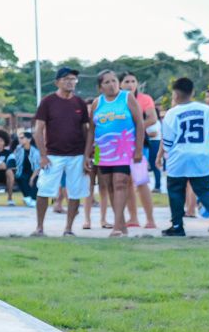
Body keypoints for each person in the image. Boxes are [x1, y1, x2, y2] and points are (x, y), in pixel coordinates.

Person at [159, 77, 209, 236]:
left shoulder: (171, 113)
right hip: (202, 155)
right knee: (204, 189)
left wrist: (163, 155)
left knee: (176, 190)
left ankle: (177, 226)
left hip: (179, 156)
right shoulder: (204, 109)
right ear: (192, 92)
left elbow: (168, 142)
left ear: (175, 94)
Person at [31, 67, 92, 237]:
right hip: (53, 155)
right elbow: (38, 130)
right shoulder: (47, 102)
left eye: (73, 79)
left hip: (77, 155)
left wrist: (87, 155)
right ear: (57, 82)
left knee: (75, 192)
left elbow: (86, 131)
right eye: (66, 79)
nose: (70, 82)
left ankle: (68, 229)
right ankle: (39, 227)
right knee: (44, 190)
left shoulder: (80, 103)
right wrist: (43, 155)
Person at [88, 70, 146, 237]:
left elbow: (139, 123)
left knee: (120, 183)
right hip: (102, 151)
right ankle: (121, 224)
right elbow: (91, 130)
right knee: (109, 186)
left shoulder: (127, 97)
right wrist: (87, 153)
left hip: (124, 149)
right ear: (100, 87)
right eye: (107, 82)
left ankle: (117, 226)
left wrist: (139, 149)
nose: (111, 85)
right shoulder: (97, 103)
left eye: (114, 81)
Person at [120, 72, 158, 229]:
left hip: (139, 145)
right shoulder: (117, 100)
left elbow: (152, 118)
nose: (130, 84)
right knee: (127, 183)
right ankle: (133, 218)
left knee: (141, 181)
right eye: (126, 81)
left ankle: (150, 219)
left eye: (133, 81)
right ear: (120, 84)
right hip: (121, 146)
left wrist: (136, 128)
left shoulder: (144, 99)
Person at [11, 131, 40, 206]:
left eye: (22, 138)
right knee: (20, 177)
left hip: (34, 172)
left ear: (29, 139)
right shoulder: (18, 149)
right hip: (22, 172)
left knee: (36, 179)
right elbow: (14, 159)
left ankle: (33, 199)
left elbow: (37, 167)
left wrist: (32, 178)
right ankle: (28, 198)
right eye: (19, 138)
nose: (19, 140)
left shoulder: (35, 152)